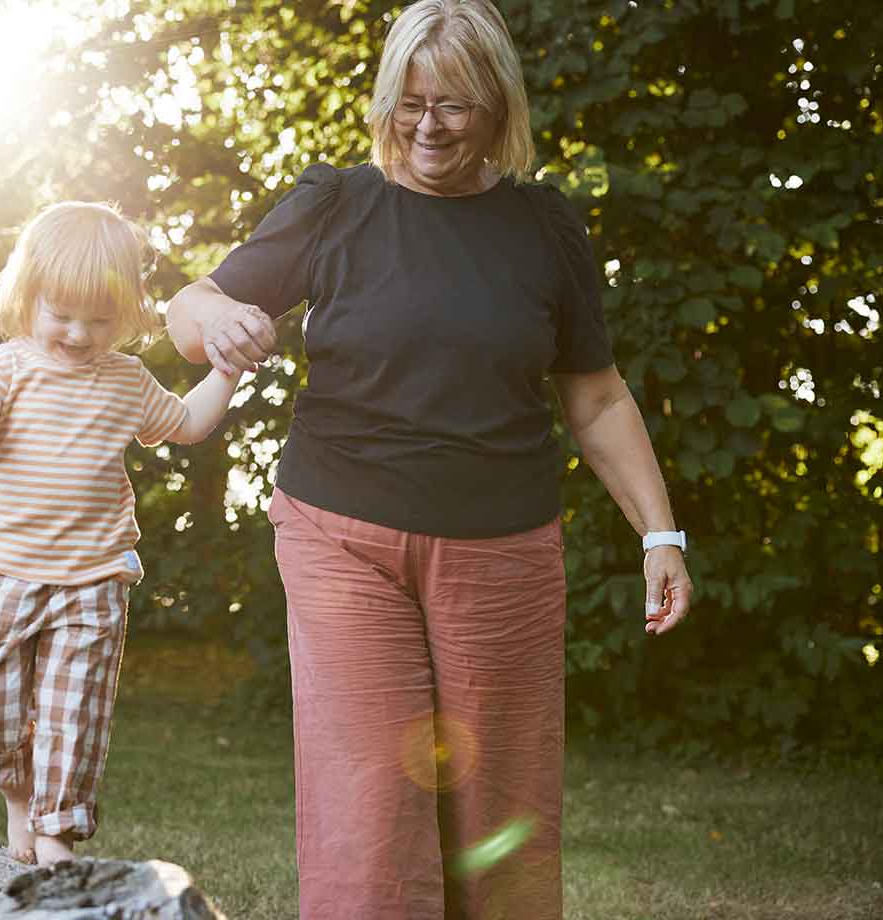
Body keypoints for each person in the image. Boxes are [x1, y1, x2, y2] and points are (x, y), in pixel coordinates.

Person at [166, 0, 694, 916]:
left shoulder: (542, 227)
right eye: (408, 102)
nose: (426, 125)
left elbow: (596, 396)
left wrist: (662, 535)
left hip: (503, 547)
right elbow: (189, 306)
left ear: (497, 107)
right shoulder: (337, 206)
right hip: (341, 535)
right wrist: (217, 318)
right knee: (371, 807)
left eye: (452, 105)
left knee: (503, 806)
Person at [0, 201, 242, 866]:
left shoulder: (126, 380)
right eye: (62, 313)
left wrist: (227, 372)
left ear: (126, 314)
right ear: (27, 296)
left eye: (99, 320)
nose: (77, 332)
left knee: (75, 717)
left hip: (95, 580)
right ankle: (17, 795)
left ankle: (55, 832)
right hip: (4, 574)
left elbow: (185, 423)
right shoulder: (2, 368)